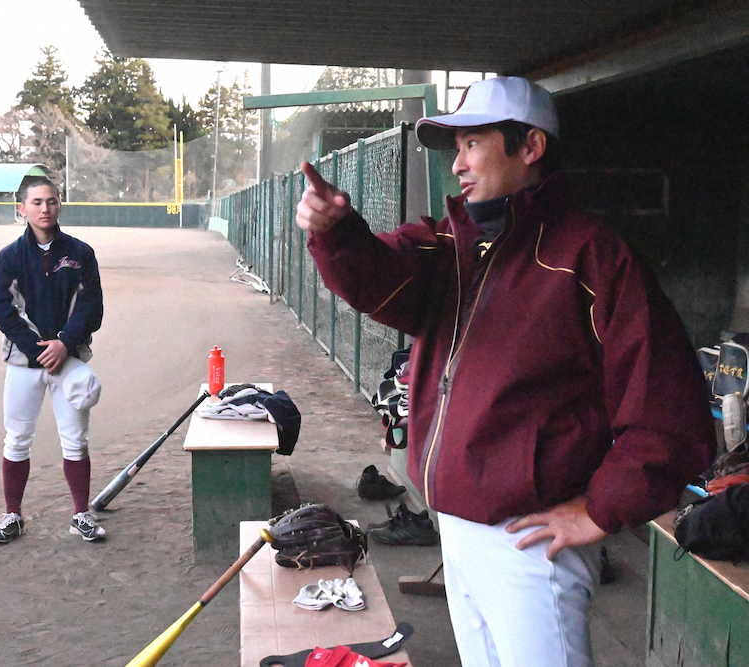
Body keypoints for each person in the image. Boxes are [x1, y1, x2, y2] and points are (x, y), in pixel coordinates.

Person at [296, 76, 714, 666]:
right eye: (456, 148)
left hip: (530, 540)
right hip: (458, 527)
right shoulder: (455, 243)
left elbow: (669, 409)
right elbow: (382, 279)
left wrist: (599, 509)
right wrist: (334, 232)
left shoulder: (591, 255)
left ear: (530, 147)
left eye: (472, 144)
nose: (458, 164)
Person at [0, 176, 105, 544]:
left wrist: (64, 344)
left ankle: (80, 514)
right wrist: (39, 348)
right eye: (36, 202)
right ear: (21, 208)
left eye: (51, 201)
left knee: (75, 440)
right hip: (24, 362)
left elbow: (92, 307)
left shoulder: (80, 253)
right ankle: (12, 515)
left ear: (59, 204)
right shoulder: (9, 257)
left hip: (68, 360)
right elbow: (2, 308)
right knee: (17, 439)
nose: (45, 208)